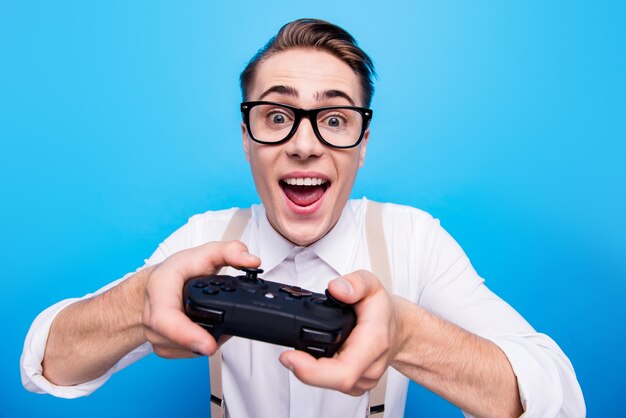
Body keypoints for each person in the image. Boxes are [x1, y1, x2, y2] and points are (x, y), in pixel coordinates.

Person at [21, 18, 585, 417]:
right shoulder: (202, 239)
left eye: (334, 120)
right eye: (277, 115)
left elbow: (559, 399)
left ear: (363, 142)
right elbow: (44, 364)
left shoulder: (414, 240)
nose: (305, 145)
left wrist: (408, 334)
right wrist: (137, 301)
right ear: (247, 138)